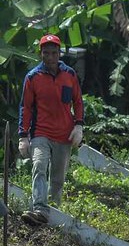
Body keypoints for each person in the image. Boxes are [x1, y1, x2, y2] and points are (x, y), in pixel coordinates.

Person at [17, 34, 84, 226]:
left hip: (64, 135)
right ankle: (39, 209)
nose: (50, 57)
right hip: (41, 133)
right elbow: (26, 107)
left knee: (58, 178)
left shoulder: (69, 75)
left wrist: (79, 125)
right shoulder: (32, 77)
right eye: (46, 53)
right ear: (41, 54)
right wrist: (23, 136)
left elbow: (78, 101)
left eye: (54, 53)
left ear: (59, 53)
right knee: (39, 167)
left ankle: (53, 213)